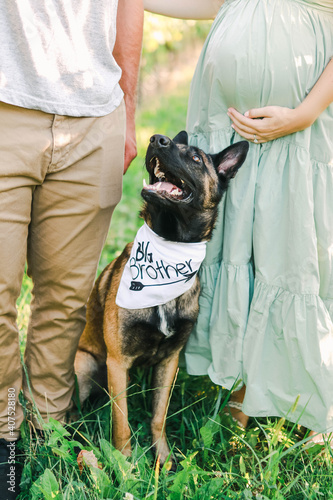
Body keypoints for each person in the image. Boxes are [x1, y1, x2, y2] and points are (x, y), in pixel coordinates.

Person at [144, 0, 333, 443]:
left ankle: (311, 396)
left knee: (288, 243)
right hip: (226, 120)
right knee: (240, 240)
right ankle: (241, 386)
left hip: (302, 118)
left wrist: (305, 112)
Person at [0, 1, 143, 497]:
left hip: (93, 117)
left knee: (65, 299)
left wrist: (126, 108)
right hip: (5, 104)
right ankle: (5, 434)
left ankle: (48, 429)